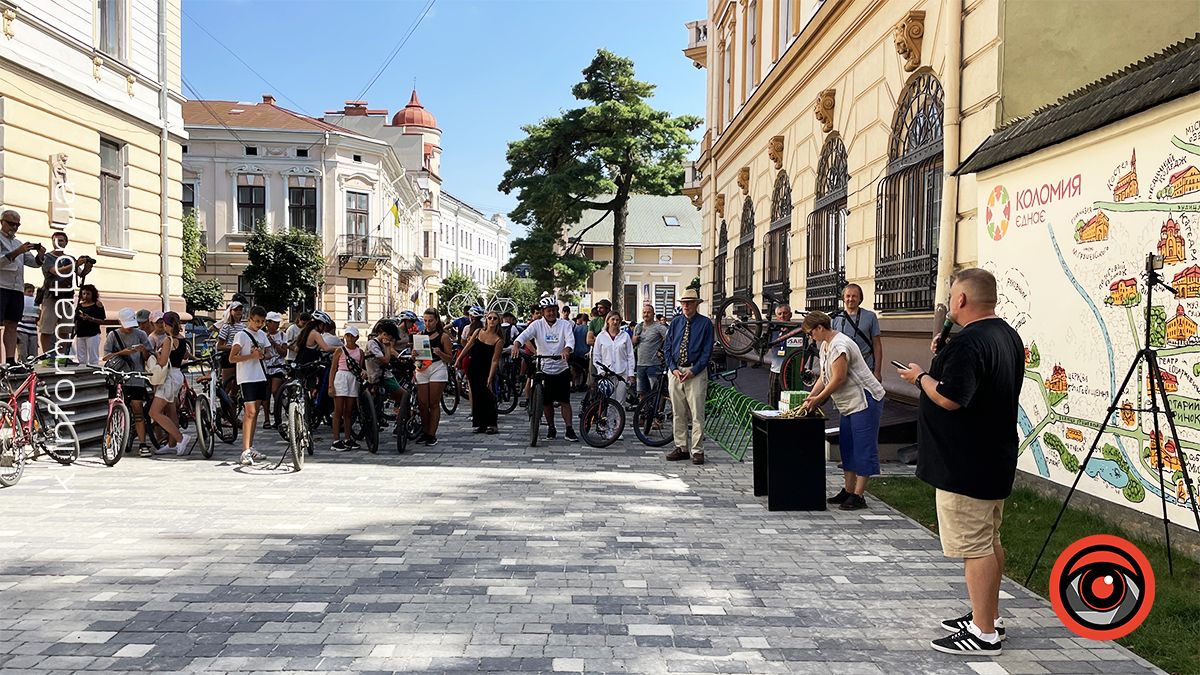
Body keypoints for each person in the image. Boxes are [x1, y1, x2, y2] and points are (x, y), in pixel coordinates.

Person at [896, 268, 1024, 656]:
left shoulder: (970, 343)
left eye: (952, 296)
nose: (950, 302)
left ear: (961, 300)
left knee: (976, 547)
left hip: (965, 464)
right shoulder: (1005, 335)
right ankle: (988, 616)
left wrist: (920, 377)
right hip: (992, 457)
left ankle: (984, 633)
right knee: (989, 540)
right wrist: (944, 356)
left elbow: (951, 397)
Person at [798, 310, 886, 510]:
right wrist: (811, 395)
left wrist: (819, 399)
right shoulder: (826, 346)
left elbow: (839, 377)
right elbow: (824, 376)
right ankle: (848, 490)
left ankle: (858, 495)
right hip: (849, 404)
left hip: (865, 400)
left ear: (820, 328)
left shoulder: (840, 345)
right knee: (847, 446)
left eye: (810, 333)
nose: (810, 338)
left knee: (863, 447)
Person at [512, 298, 577, 442]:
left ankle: (569, 429)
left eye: (554, 310)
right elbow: (524, 336)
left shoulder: (564, 325)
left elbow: (570, 340)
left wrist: (567, 349)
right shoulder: (537, 325)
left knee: (565, 401)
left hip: (561, 366)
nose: (551, 313)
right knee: (546, 402)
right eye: (548, 311)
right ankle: (551, 427)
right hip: (544, 366)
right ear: (543, 312)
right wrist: (517, 344)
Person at [664, 286, 713, 464]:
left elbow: (707, 351)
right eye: (684, 303)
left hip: (695, 371)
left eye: (689, 303)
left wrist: (694, 370)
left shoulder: (705, 323)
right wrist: (672, 368)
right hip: (676, 371)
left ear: (696, 304)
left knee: (697, 412)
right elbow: (667, 347)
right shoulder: (676, 322)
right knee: (678, 411)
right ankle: (681, 447)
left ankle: (697, 450)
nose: (686, 306)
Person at [103, 307, 153, 455]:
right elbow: (105, 357)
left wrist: (143, 350)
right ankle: (111, 441)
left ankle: (143, 444)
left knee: (138, 409)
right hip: (117, 377)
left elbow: (148, 356)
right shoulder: (113, 335)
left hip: (136, 377)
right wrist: (122, 353)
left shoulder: (141, 334)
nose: (129, 328)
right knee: (113, 410)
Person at [0, 210, 46, 364]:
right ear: (2, 222)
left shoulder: (18, 243)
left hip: (17, 289)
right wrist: (16, 252)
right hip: (1, 287)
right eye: (11, 223)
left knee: (12, 324)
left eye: (17, 224)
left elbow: (33, 263)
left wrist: (40, 255)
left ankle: (10, 360)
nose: (14, 227)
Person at [229, 305, 271, 466]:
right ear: (250, 319)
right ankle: (245, 450)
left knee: (256, 413)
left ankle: (250, 446)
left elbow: (268, 353)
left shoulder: (262, 335)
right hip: (247, 378)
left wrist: (262, 355)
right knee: (250, 412)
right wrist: (251, 356)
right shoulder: (241, 335)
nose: (259, 324)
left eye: (262, 322)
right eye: (257, 321)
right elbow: (232, 358)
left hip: (260, 376)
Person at [148, 311, 190, 456]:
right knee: (171, 411)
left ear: (166, 324)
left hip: (168, 378)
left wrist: (156, 353)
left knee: (154, 412)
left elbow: (162, 362)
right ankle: (171, 444)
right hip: (177, 375)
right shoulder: (182, 339)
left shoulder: (168, 340)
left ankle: (180, 438)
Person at [459, 310, 503, 434]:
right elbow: (468, 346)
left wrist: (490, 376)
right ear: (486, 319)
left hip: (486, 369)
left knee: (488, 396)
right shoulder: (478, 332)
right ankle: (480, 424)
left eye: (495, 318)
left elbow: (495, 360)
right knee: (476, 395)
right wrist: (459, 359)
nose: (492, 320)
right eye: (490, 318)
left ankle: (492, 424)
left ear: (498, 321)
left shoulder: (498, 340)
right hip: (474, 367)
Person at [414, 309, 453, 445]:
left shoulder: (443, 336)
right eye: (425, 321)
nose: (427, 323)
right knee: (423, 403)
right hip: (422, 368)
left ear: (436, 320)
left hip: (437, 367)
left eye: (430, 320)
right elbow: (417, 356)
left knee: (433, 403)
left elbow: (450, 359)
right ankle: (425, 431)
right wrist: (414, 355)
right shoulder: (420, 335)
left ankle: (432, 434)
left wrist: (440, 353)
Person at [833, 283, 884, 381]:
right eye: (848, 296)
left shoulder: (870, 317)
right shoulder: (835, 318)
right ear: (843, 298)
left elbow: (877, 345)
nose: (850, 299)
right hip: (842, 370)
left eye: (854, 296)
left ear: (860, 299)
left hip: (866, 369)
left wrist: (877, 371)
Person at [38, 231, 74, 354]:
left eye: (61, 240)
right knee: (47, 329)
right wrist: (74, 265)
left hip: (67, 297)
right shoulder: (47, 257)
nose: (58, 243)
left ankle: (62, 356)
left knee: (65, 329)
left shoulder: (70, 259)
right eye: (56, 240)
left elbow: (81, 274)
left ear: (66, 243)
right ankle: (47, 356)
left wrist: (87, 266)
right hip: (51, 296)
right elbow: (55, 271)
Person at [328, 326, 363, 451]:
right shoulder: (340, 350)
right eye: (347, 335)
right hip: (341, 377)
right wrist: (331, 385)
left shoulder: (360, 352)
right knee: (338, 410)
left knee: (349, 411)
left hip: (352, 379)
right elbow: (333, 369)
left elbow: (359, 367)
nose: (349, 338)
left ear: (357, 337)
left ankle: (348, 438)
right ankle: (336, 440)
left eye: (352, 336)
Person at [592, 311, 636, 411]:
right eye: (613, 319)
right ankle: (611, 425)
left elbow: (630, 356)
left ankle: (619, 426)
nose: (615, 322)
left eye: (617, 320)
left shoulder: (625, 336)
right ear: (608, 321)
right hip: (607, 374)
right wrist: (601, 371)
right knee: (609, 402)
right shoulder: (601, 336)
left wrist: (631, 373)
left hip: (622, 373)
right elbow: (596, 356)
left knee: (621, 403)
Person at [767, 304, 805, 405]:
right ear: (776, 316)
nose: (782, 316)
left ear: (790, 314)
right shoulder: (772, 330)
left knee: (789, 401)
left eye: (785, 313)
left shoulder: (797, 331)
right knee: (773, 400)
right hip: (776, 370)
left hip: (791, 372)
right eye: (779, 314)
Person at [633, 303, 668, 401]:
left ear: (653, 314)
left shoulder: (659, 327)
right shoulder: (638, 327)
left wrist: (662, 350)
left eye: (648, 312)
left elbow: (669, 338)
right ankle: (643, 412)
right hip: (640, 364)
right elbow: (633, 344)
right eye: (644, 312)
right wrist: (634, 341)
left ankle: (657, 413)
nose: (646, 314)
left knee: (656, 392)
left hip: (654, 364)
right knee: (641, 392)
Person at [262, 311, 287, 429]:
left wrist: (274, 344)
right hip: (265, 367)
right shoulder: (262, 335)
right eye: (274, 322)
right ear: (268, 323)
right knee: (265, 394)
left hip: (278, 367)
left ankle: (278, 417)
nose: (277, 325)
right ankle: (266, 419)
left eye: (278, 322)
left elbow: (284, 353)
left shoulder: (282, 335)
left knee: (275, 390)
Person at [214, 301, 245, 395]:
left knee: (237, 384)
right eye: (236, 310)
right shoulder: (226, 326)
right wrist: (232, 348)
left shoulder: (243, 326)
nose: (239, 312)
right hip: (228, 356)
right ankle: (224, 404)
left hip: (239, 357)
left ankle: (233, 404)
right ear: (231, 311)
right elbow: (219, 346)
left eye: (240, 310)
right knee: (227, 384)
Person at [74, 285, 106, 366]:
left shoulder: (97, 305)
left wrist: (91, 319)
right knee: (81, 356)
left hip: (92, 333)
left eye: (88, 294)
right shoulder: (80, 305)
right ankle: (82, 370)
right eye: (84, 293)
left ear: (93, 294)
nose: (85, 296)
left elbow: (102, 320)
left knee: (93, 356)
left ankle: (94, 370)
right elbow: (76, 319)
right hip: (80, 333)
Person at [17, 283, 39, 361]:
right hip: (21, 329)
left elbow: (37, 317)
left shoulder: (34, 301)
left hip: (33, 330)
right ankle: (22, 367)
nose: (31, 294)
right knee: (23, 352)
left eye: (32, 292)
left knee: (33, 352)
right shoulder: (20, 300)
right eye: (29, 291)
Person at [570, 314, 591, 392]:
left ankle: (574, 385)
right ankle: (582, 385)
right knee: (585, 370)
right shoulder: (588, 329)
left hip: (576, 351)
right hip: (585, 352)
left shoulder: (576, 329)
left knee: (575, 370)